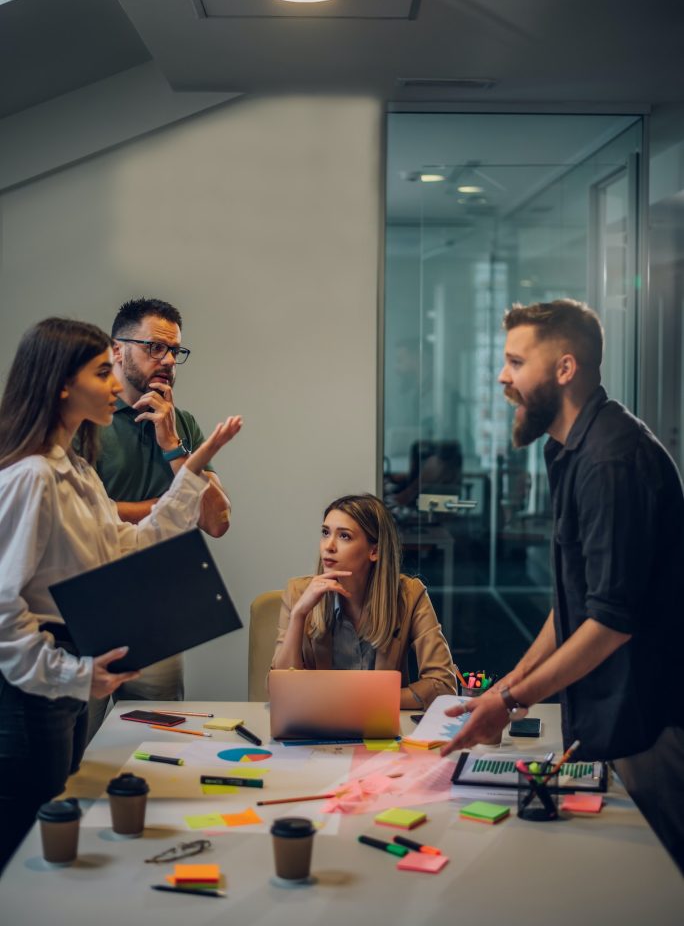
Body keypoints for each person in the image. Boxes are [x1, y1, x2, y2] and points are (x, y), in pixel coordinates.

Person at [440, 299, 684, 872]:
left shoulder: (611, 461)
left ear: (565, 369)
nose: (503, 376)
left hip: (647, 724)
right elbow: (575, 605)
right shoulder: (574, 449)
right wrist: (508, 685)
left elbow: (610, 623)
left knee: (662, 887)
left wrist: (508, 702)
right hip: (614, 720)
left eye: (516, 362)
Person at [0, 317, 242, 870]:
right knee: (26, 848)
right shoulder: (33, 476)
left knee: (56, 834)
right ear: (63, 383)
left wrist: (191, 465)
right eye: (103, 371)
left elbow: (128, 544)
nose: (114, 386)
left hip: (65, 674)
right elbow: (2, 610)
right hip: (32, 683)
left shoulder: (77, 472)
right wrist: (72, 675)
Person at [88, 297, 232, 734]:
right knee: (78, 746)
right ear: (117, 349)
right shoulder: (87, 418)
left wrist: (172, 445)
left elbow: (216, 521)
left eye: (174, 351)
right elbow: (81, 514)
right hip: (86, 597)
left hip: (156, 602)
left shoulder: (181, 422)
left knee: (154, 741)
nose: (168, 360)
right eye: (155, 347)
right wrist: (169, 505)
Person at [271, 493, 457, 709]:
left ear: (374, 551)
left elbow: (443, 685)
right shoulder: (297, 593)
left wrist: (365, 702)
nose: (328, 546)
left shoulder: (409, 595)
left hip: (379, 727)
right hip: (318, 727)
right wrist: (298, 615)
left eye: (344, 536)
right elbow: (279, 692)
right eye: (325, 533)